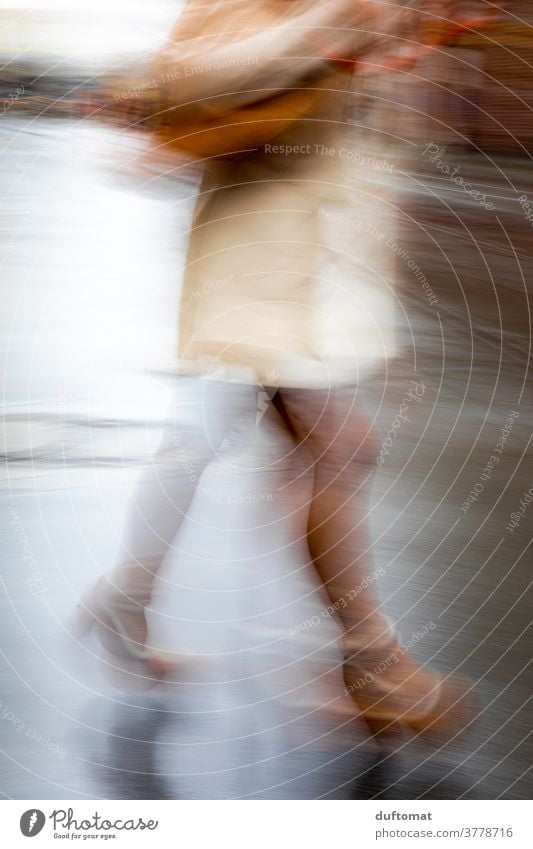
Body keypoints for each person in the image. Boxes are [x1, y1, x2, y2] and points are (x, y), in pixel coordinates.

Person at [77, 0, 479, 743]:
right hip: (254, 273)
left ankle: (128, 599)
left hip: (311, 276)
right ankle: (366, 664)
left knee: (250, 448)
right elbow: (204, 74)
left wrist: (403, 36)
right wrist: (333, 31)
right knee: (333, 451)